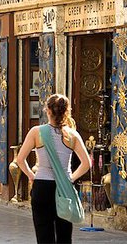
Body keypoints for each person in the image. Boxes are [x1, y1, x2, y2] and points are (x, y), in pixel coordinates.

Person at [18, 94, 91, 244]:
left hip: (42, 186)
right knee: (64, 235)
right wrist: (71, 178)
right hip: (64, 188)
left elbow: (20, 160)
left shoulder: (36, 132)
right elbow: (86, 163)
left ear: (48, 110)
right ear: (66, 111)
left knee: (44, 234)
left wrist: (31, 176)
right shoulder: (73, 135)